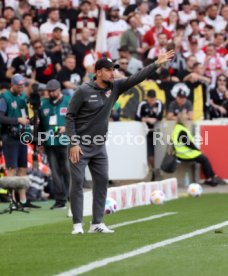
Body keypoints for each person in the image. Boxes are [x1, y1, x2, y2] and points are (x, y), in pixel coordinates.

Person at [65, 50, 174, 234]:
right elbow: (69, 117)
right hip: (80, 146)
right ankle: (77, 225)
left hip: (99, 146)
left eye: (113, 69)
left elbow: (137, 77)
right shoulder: (83, 90)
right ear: (98, 72)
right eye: (108, 70)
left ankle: (97, 223)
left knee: (102, 182)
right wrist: (74, 142)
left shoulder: (115, 87)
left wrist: (156, 64)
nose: (112, 73)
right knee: (77, 182)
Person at [0, 73, 40, 208]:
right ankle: (12, 200)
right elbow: (1, 117)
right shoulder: (4, 97)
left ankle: (22, 200)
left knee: (23, 167)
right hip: (10, 136)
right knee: (11, 168)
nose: (21, 88)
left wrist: (33, 118)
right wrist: (17, 120)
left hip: (22, 135)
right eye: (18, 86)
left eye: (23, 85)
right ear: (12, 85)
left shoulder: (23, 97)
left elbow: (27, 114)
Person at [39, 79, 71, 209]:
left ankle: (72, 197)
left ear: (59, 90)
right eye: (50, 91)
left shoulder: (68, 100)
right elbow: (40, 125)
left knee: (67, 170)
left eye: (54, 91)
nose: (52, 93)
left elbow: (77, 118)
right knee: (55, 172)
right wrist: (40, 142)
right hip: (49, 142)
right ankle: (60, 200)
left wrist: (66, 127)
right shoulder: (44, 104)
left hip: (65, 141)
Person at [171, 111, 225, 187]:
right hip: (185, 154)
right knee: (204, 159)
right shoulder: (181, 130)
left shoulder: (177, 128)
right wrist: (197, 150)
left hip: (181, 153)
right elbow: (188, 143)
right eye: (186, 119)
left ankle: (212, 176)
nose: (188, 120)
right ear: (183, 120)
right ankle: (209, 178)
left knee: (204, 158)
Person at [136, 90, 163, 181]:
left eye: (153, 99)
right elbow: (137, 116)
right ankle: (154, 170)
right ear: (147, 98)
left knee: (158, 153)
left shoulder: (158, 103)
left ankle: (157, 170)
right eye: (150, 99)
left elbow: (159, 116)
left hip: (157, 131)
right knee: (149, 154)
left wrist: (152, 119)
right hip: (146, 132)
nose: (152, 101)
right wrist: (147, 119)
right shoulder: (142, 104)